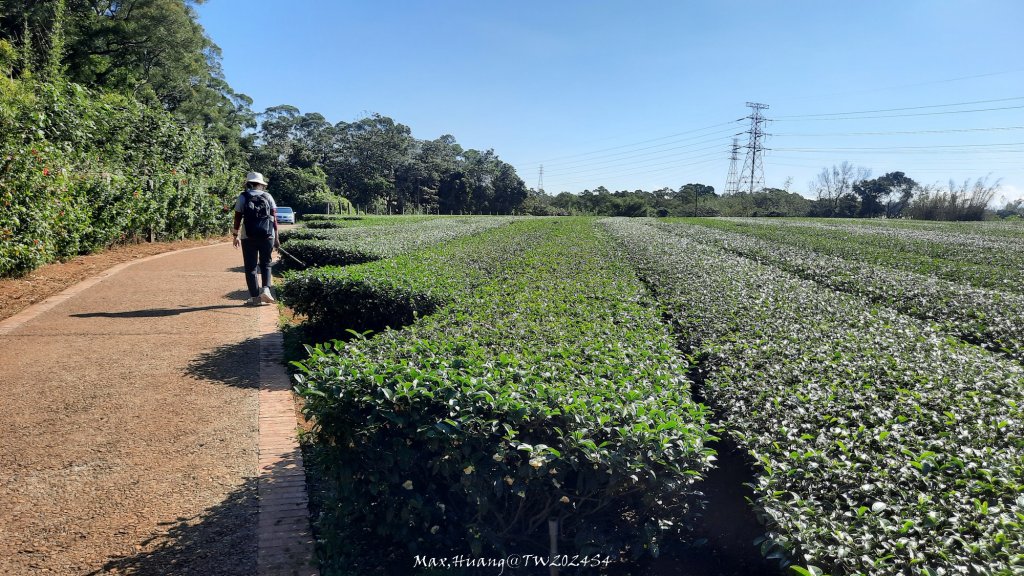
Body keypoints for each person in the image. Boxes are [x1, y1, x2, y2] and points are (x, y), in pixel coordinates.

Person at [232, 171, 280, 306]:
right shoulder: (268, 196)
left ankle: (255, 298)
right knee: (266, 264)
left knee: (251, 267)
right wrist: (277, 237)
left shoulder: (243, 197)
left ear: (248, 184)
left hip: (248, 237)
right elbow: (274, 219)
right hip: (267, 236)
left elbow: (237, 218)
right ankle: (266, 290)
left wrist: (235, 236)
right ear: (261, 184)